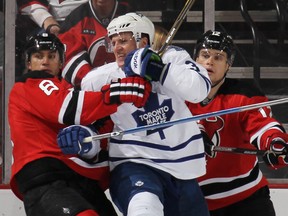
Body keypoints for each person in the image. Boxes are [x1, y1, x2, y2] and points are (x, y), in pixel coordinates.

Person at [58, 12, 211, 216]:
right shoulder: (99, 79)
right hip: (134, 163)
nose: (116, 48)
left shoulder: (172, 57)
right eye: (113, 42)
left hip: (182, 168)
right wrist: (84, 139)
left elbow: (200, 90)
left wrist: (158, 69)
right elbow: (96, 128)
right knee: (145, 209)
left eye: (123, 40)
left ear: (144, 41)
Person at [8, 32, 151, 216]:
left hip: (78, 178)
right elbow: (68, 107)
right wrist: (119, 92)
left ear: (61, 63)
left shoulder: (67, 90)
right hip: (47, 181)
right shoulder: (28, 85)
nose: (45, 62)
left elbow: (95, 127)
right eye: (38, 56)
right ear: (28, 63)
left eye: (51, 56)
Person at [187, 30, 288, 216]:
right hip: (193, 200)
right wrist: (190, 137)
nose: (210, 61)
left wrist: (274, 141)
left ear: (228, 65)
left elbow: (261, 123)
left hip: (245, 197)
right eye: (205, 55)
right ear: (195, 59)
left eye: (218, 57)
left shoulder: (244, 94)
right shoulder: (176, 94)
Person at [58, 0, 133, 87]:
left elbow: (138, 53)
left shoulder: (130, 15)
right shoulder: (76, 18)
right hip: (88, 89)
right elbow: (69, 59)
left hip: (125, 85)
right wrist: (95, 82)